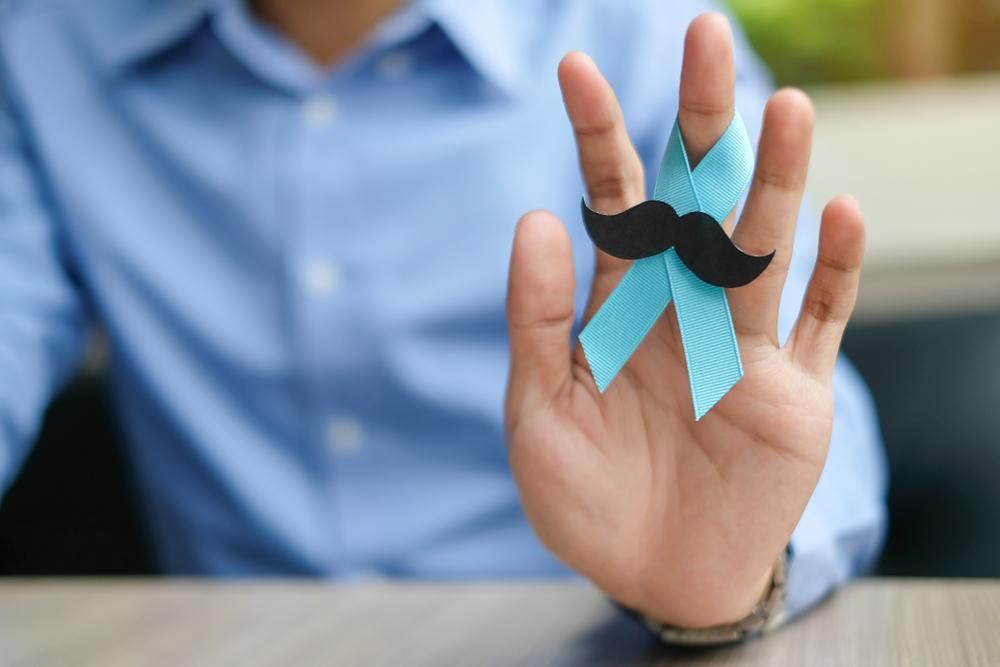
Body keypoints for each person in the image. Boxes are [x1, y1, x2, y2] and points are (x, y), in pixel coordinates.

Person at [0, 0, 886, 640]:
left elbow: (783, 382)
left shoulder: (644, 38)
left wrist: (739, 567)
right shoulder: (42, 54)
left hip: (596, 642)